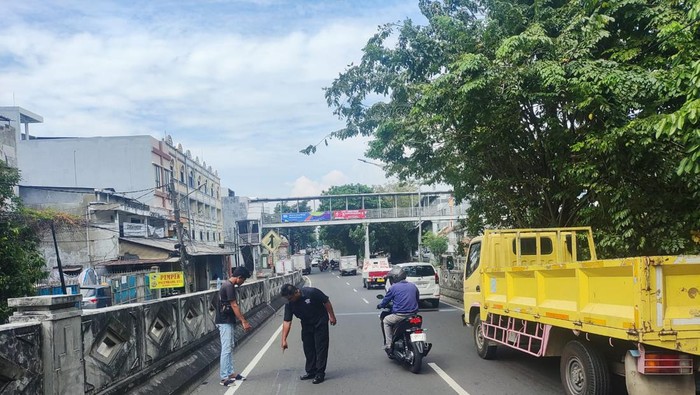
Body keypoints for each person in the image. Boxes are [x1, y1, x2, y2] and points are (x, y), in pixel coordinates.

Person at [280, 284, 337, 384]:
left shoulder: (311, 292)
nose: (289, 300)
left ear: (296, 292)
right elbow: (287, 322)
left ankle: (320, 373)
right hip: (306, 324)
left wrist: (331, 316)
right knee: (308, 348)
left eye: (290, 298)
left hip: (320, 321)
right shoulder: (289, 304)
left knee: (320, 347)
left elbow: (326, 301)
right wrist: (284, 339)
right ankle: (311, 371)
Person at [215, 266, 253, 387]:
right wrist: (243, 321)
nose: (243, 282)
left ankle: (230, 373)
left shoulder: (227, 285)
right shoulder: (229, 286)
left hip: (227, 319)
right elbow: (234, 305)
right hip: (224, 320)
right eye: (243, 280)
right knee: (226, 348)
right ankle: (224, 377)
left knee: (230, 346)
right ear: (239, 277)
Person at [377, 268, 419, 353]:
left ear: (395, 278)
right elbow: (417, 298)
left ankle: (388, 345)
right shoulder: (413, 286)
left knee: (386, 321)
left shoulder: (393, 288)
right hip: (413, 315)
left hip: (399, 316)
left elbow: (385, 301)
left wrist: (380, 305)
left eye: (391, 278)